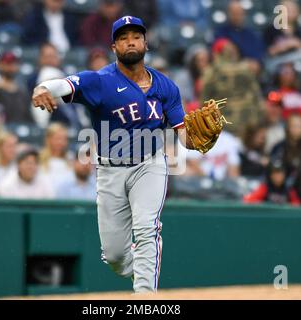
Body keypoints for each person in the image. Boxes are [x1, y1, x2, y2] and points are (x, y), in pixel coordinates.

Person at [32, 16, 201, 293]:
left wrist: (195, 141)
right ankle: (146, 269)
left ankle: (146, 298)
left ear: (145, 42)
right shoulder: (100, 81)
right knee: (114, 256)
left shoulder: (166, 86)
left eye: (135, 36)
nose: (130, 41)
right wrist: (43, 88)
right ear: (114, 46)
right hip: (110, 169)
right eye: (123, 38)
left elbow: (184, 135)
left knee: (147, 229)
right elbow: (63, 84)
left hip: (150, 164)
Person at [200, 38, 264, 135]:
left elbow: (204, 101)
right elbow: (257, 97)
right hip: (246, 123)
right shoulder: (246, 69)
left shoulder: (211, 72)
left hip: (226, 125)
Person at [215, 0, 264, 70]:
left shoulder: (251, 34)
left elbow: (258, 56)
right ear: (228, 14)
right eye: (233, 13)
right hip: (227, 68)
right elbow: (216, 51)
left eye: (239, 13)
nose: (236, 16)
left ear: (244, 14)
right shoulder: (220, 32)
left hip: (248, 69)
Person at [270, 113, 301, 183]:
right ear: (287, 128)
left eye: (300, 126)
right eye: (294, 126)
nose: (297, 129)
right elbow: (275, 170)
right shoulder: (279, 148)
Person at [0, 52, 34, 124]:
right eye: (7, 63)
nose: (10, 67)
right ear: (0, 65)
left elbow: (28, 116)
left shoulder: (23, 92)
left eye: (13, 63)